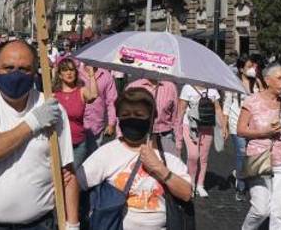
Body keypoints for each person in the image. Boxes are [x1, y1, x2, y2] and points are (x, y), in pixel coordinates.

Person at [0, 40, 79, 230]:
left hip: (38, 224)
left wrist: (73, 225)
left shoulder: (52, 108)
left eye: (24, 69)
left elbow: (68, 171)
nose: (16, 74)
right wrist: (34, 122)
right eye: (8, 67)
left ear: (34, 72)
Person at [75, 88, 193, 228]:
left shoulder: (166, 151)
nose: (132, 119)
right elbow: (75, 183)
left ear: (151, 118)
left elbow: (186, 193)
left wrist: (159, 168)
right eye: (125, 115)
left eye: (139, 115)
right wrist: (73, 221)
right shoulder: (108, 153)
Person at [238, 63, 281, 230]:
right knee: (261, 209)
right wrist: (264, 132)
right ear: (267, 80)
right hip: (259, 158)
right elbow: (241, 130)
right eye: (279, 78)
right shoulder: (252, 101)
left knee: (278, 211)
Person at [224, 56, 262, 200]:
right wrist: (225, 125)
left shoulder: (257, 83)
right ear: (241, 69)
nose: (251, 69)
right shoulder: (233, 84)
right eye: (248, 67)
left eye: (253, 66)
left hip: (253, 124)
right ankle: (241, 187)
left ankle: (246, 178)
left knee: (251, 155)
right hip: (236, 123)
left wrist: (259, 80)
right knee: (241, 154)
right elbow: (227, 105)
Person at [176, 83, 222, 198]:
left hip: (208, 126)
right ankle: (190, 183)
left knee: (203, 157)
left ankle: (200, 185)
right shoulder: (187, 87)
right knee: (193, 155)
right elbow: (181, 109)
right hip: (190, 126)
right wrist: (177, 128)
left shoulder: (212, 89)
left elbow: (217, 108)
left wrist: (223, 127)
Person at [53, 57, 98, 166]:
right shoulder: (54, 95)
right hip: (60, 144)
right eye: (65, 70)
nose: (69, 73)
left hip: (77, 144)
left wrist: (92, 75)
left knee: (72, 176)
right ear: (59, 75)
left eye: (72, 69)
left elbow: (93, 95)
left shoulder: (81, 91)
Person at [81, 63, 118, 148]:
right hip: (78, 126)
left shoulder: (106, 75)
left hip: (97, 126)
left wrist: (111, 123)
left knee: (93, 157)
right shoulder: (76, 73)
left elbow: (111, 101)